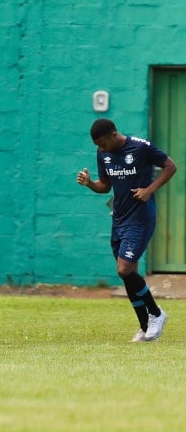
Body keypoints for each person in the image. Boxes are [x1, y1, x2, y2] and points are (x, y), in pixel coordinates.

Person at [77, 118, 176, 342]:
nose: (100, 149)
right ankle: (145, 327)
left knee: (123, 269)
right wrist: (90, 183)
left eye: (102, 144)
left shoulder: (141, 147)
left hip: (141, 218)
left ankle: (157, 315)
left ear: (114, 135)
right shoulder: (103, 153)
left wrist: (149, 190)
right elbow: (105, 186)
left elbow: (171, 166)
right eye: (97, 146)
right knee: (129, 275)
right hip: (119, 218)